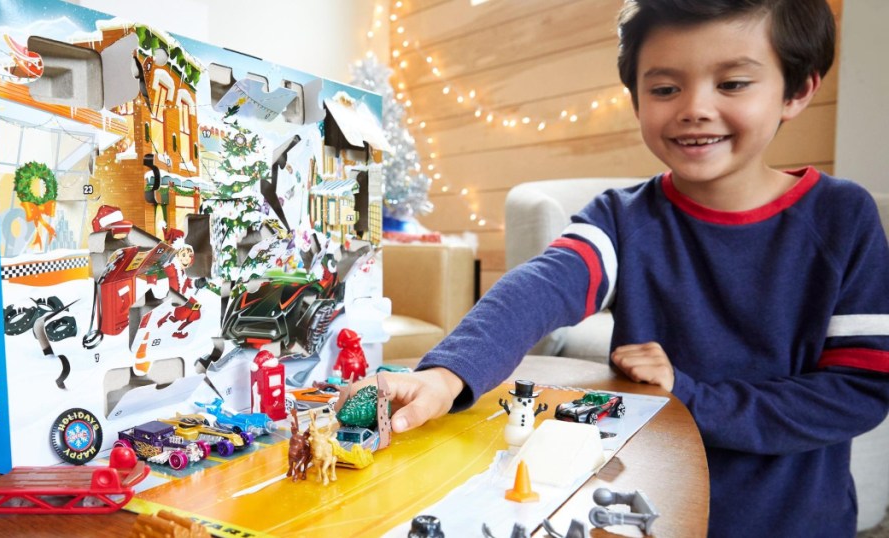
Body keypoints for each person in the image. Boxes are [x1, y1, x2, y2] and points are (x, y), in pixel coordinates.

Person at [371, 1, 889, 536]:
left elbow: (858, 392)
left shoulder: (843, 217)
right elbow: (542, 284)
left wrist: (691, 395)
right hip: (649, 512)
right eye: (665, 89)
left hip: (794, 519)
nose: (695, 108)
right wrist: (447, 372)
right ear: (636, 96)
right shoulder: (620, 219)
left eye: (732, 83)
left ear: (799, 88)